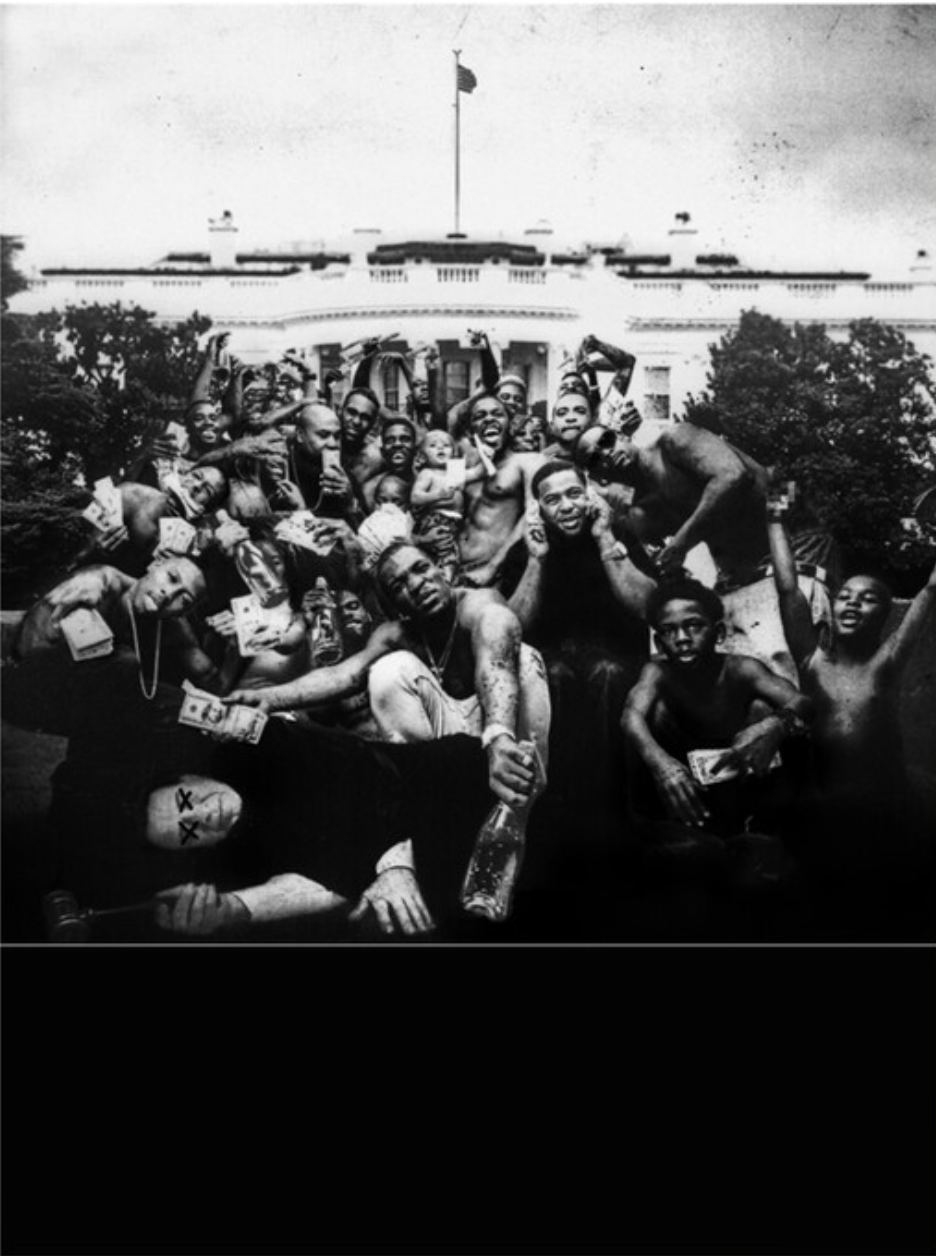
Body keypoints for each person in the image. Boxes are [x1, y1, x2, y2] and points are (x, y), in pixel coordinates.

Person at [226, 541, 551, 812]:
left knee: (520, 654)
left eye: (421, 569)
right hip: (452, 749)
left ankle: (521, 789)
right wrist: (267, 698)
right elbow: (344, 675)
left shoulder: (477, 602)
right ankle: (433, 798)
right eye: (399, 585)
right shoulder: (396, 633)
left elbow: (497, 648)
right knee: (387, 669)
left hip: (504, 732)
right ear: (396, 606)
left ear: (442, 570)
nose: (416, 584)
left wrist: (499, 737)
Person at [573, 419, 833, 682]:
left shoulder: (674, 439)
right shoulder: (643, 512)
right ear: (598, 475)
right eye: (595, 458)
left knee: (802, 658)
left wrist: (681, 542)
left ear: (621, 435)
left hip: (795, 539)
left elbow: (734, 476)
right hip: (740, 574)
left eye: (607, 441)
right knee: (737, 664)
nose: (606, 453)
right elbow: (660, 576)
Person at [767, 490, 936, 885]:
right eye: (845, 596)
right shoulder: (813, 661)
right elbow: (788, 586)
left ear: (887, 613)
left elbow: (930, 590)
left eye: (869, 599)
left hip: (885, 806)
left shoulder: (887, 663)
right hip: (825, 807)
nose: (852, 604)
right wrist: (775, 511)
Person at [621, 579, 812, 903]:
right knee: (652, 717)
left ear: (719, 633)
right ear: (659, 640)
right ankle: (671, 830)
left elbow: (804, 703)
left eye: (694, 626)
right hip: (687, 785)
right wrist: (662, 766)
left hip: (744, 780)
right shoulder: (657, 672)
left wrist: (773, 727)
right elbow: (631, 716)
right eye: (669, 630)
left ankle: (761, 830)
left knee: (766, 709)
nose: (681, 639)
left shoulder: (742, 669)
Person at [506, 461, 655, 834]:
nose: (567, 506)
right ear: (538, 509)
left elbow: (646, 606)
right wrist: (537, 559)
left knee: (608, 673)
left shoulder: (616, 534)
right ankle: (557, 808)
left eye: (574, 494)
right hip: (553, 660)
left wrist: (605, 538)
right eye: (553, 500)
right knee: (553, 675)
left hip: (614, 655)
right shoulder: (527, 550)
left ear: (589, 495)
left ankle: (610, 806)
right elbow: (513, 626)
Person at [454, 394, 546, 589]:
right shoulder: (461, 464)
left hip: (493, 573)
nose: (489, 419)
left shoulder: (529, 461)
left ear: (511, 425)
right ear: (471, 430)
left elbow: (532, 516)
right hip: (451, 568)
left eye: (497, 414)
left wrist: (492, 568)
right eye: (480, 416)